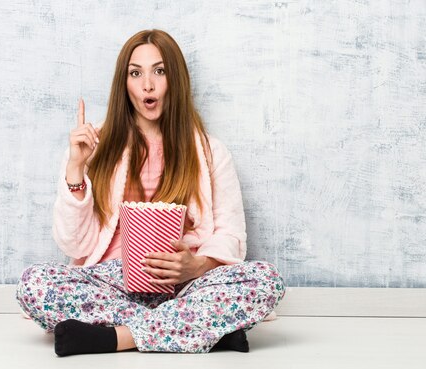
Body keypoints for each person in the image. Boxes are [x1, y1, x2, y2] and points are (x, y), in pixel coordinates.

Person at [16, 29, 285, 356]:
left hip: (186, 287)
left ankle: (115, 338)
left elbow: (231, 234)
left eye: (159, 71)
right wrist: (76, 170)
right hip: (112, 282)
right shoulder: (93, 149)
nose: (148, 84)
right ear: (124, 83)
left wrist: (195, 266)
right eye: (135, 73)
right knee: (34, 283)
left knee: (265, 280)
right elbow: (74, 244)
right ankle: (204, 332)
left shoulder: (212, 152)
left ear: (176, 80)